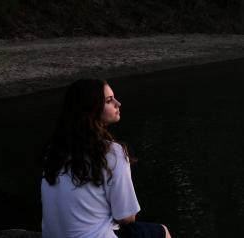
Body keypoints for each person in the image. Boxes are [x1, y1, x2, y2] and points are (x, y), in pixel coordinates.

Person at [41, 78, 172, 238]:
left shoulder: (54, 150)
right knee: (161, 231)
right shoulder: (112, 152)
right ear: (91, 109)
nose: (118, 103)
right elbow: (127, 218)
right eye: (109, 100)